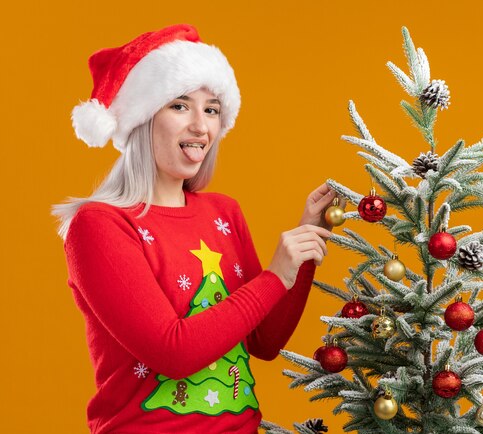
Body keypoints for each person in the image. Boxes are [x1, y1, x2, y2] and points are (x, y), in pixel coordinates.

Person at [51, 24, 340, 434]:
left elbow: (265, 342)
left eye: (211, 109)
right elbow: (175, 352)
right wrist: (276, 275)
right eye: (180, 105)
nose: (201, 127)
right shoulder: (99, 225)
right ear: (141, 118)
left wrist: (304, 248)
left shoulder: (224, 211)